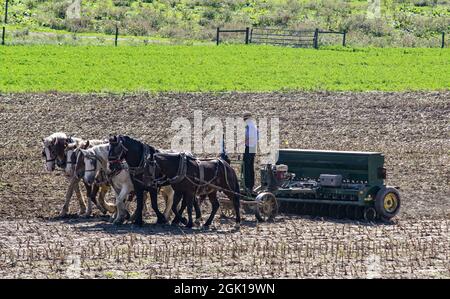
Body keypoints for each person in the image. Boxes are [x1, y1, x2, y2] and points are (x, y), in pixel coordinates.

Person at [243, 112, 258, 192]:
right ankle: (251, 185)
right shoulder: (254, 126)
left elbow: (248, 137)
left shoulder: (249, 126)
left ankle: (247, 185)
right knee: (251, 166)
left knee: (246, 167)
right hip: (253, 147)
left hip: (248, 147)